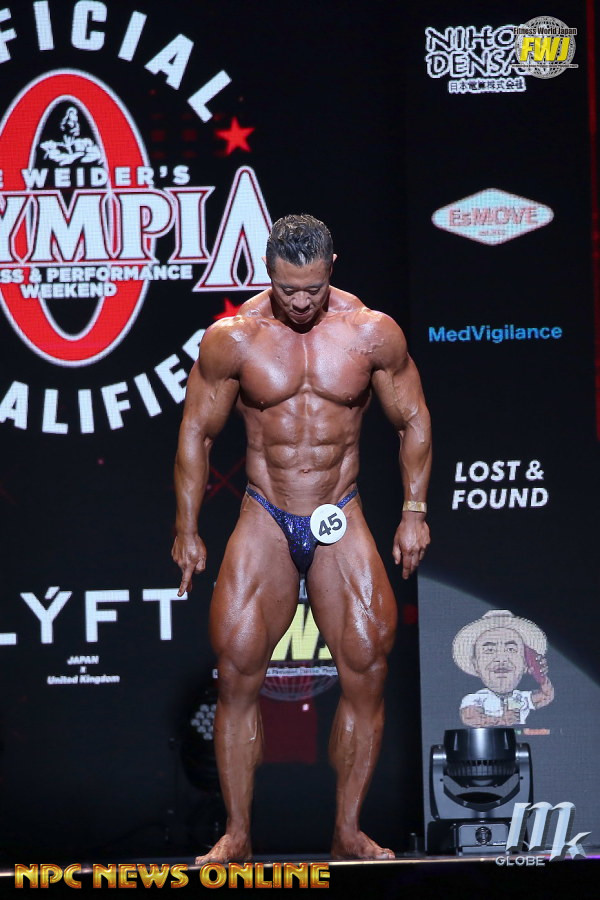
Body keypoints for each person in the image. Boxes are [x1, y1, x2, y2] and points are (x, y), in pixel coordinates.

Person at [172, 214, 432, 861]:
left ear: (331, 269)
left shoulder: (370, 333)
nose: (300, 302)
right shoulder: (234, 339)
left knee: (367, 664)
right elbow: (196, 432)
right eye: (287, 289)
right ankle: (237, 834)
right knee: (236, 669)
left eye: (312, 288)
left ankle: (348, 830)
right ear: (268, 274)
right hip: (266, 509)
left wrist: (414, 511)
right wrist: (187, 528)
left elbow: (413, 419)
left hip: (339, 507)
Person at [452, 609, 554, 726]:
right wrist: (501, 720)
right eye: (489, 650)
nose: (501, 658)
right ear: (475, 664)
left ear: (525, 663)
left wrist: (540, 674)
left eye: (511, 649)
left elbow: (546, 696)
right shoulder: (476, 699)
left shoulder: (519, 699)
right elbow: (470, 717)